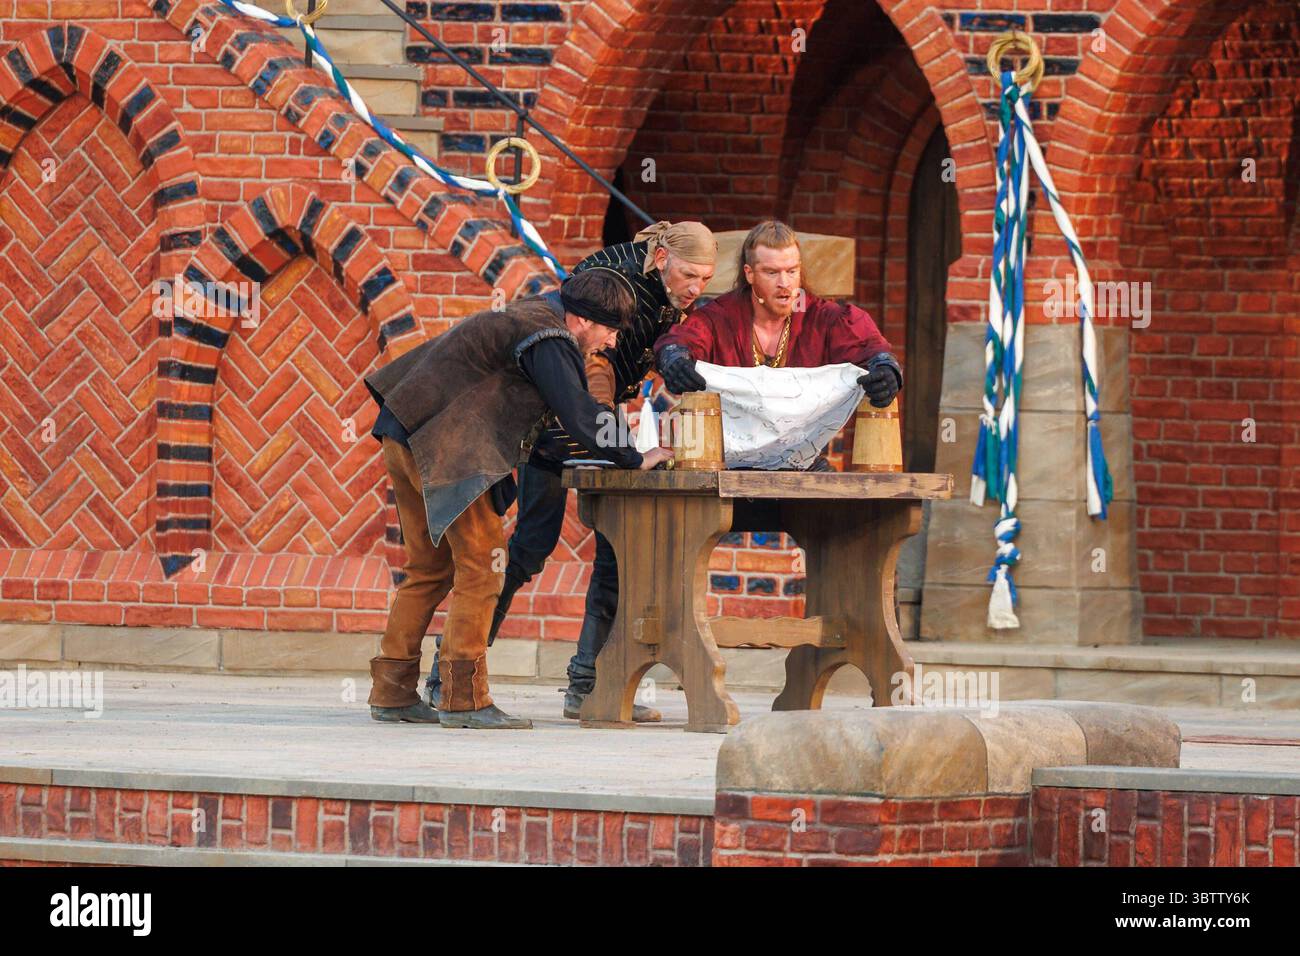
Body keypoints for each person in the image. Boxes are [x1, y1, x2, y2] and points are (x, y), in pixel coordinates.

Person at [425, 221, 717, 722]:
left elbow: (674, 335)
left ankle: (590, 684)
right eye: (690, 274)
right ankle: (450, 677)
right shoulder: (611, 279)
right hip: (559, 423)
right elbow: (588, 364)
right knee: (528, 549)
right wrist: (610, 435)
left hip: (601, 426)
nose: (696, 287)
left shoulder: (674, 293)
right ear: (662, 255)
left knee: (614, 547)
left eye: (706, 279)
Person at [365, 269, 673, 730]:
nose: (610, 343)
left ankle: (391, 689)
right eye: (610, 330)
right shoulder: (549, 336)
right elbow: (580, 413)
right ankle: (463, 699)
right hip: (441, 445)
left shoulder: (535, 320)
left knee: (429, 569)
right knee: (485, 565)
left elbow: (545, 416)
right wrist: (634, 455)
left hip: (405, 431)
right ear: (585, 321)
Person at [655, 220, 902, 424]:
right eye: (772, 272)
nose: (785, 283)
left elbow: (869, 348)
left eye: (792, 271)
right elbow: (682, 341)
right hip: (728, 460)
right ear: (749, 274)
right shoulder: (720, 316)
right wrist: (675, 359)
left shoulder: (821, 317)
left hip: (800, 463)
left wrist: (886, 370)